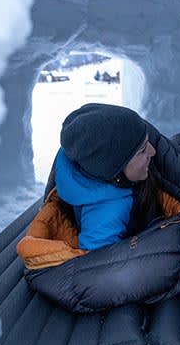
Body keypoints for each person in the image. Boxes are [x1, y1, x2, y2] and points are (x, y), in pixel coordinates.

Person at [51, 103, 162, 250]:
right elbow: (98, 266)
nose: (153, 151)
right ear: (114, 168)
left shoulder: (82, 154)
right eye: (142, 151)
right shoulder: (106, 217)